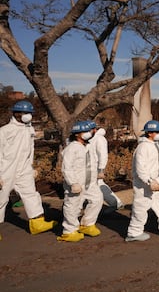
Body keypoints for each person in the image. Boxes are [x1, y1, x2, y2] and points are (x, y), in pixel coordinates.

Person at [0, 100, 57, 239]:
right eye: (25, 113)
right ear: (16, 113)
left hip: (24, 168)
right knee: (1, 198)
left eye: (29, 113)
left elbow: (30, 149)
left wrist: (31, 167)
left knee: (31, 194)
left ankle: (37, 223)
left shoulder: (29, 129)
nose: (28, 116)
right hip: (6, 169)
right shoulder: (5, 131)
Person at [58, 121, 104, 242]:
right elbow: (66, 167)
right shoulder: (72, 148)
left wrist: (97, 174)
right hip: (76, 184)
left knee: (97, 199)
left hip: (89, 183)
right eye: (85, 132)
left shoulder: (87, 146)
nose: (89, 133)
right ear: (77, 134)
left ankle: (87, 224)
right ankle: (69, 231)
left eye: (89, 131)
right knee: (72, 206)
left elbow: (90, 164)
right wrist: (72, 182)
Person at [87, 121, 124, 212]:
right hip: (89, 167)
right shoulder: (90, 139)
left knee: (99, 184)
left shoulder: (99, 139)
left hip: (95, 167)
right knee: (96, 186)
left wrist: (101, 169)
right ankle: (115, 203)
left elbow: (103, 155)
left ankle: (116, 203)